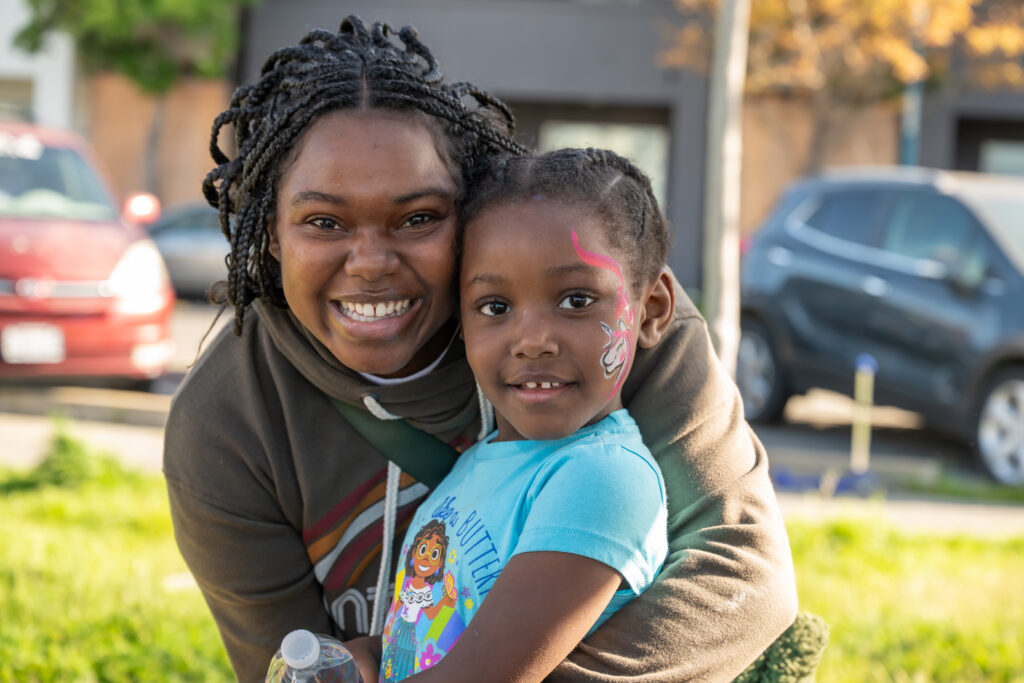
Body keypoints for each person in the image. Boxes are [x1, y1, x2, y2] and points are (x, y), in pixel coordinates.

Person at [163, 15, 798, 683]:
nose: (372, 262)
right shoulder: (228, 423)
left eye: (418, 218)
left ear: (469, 215)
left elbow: (743, 574)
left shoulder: (615, 317)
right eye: (324, 222)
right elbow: (293, 659)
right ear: (269, 235)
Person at [351, 148, 673, 682]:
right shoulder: (481, 463)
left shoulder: (604, 477)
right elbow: (438, 632)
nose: (533, 341)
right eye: (495, 307)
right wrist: (365, 657)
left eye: (575, 300)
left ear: (652, 310)